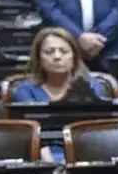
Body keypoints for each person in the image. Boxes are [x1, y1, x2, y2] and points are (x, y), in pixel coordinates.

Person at [10, 27, 109, 163]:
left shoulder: (93, 87)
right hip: (42, 156)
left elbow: (98, 131)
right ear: (39, 57)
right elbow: (33, 134)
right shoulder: (24, 90)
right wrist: (52, 165)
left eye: (64, 51)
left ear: (74, 56)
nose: (57, 56)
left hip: (88, 152)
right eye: (49, 52)